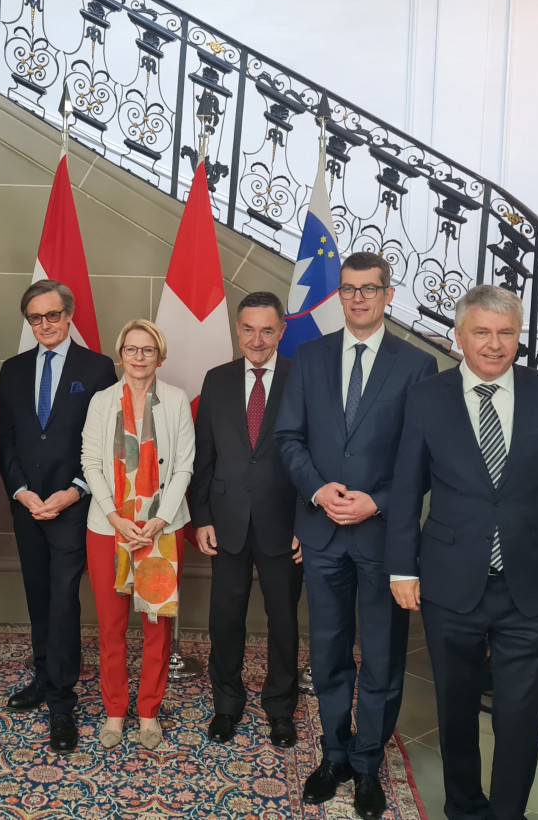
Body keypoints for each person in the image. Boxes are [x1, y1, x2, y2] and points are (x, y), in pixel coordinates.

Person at [386, 284, 538, 820]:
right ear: (459, 337)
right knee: (455, 711)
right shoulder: (426, 397)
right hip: (448, 582)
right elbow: (408, 490)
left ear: (518, 337)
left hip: (530, 584)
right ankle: (463, 808)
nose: (494, 345)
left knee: (520, 716)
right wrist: (402, 567)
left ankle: (507, 814)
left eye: (506, 334)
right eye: (482, 332)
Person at [274, 251, 437, 820]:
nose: (359, 298)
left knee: (384, 658)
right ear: (338, 295)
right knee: (328, 652)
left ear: (388, 294)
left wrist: (379, 502)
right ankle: (335, 754)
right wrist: (319, 492)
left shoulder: (417, 366)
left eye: (370, 289)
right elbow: (289, 439)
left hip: (382, 538)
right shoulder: (309, 357)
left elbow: (421, 456)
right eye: (349, 289)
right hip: (321, 533)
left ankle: (368, 763)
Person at [0, 279, 117, 752]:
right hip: (27, 506)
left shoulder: (98, 367)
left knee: (64, 599)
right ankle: (44, 676)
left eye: (52, 315)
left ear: (69, 316)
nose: (44, 324)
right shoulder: (12, 369)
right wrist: (22, 492)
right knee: (38, 594)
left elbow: (108, 441)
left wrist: (74, 492)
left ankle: (62, 703)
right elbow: (4, 439)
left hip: (74, 505)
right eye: (35, 318)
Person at [191, 291, 303, 748]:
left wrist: (306, 523)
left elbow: (311, 457)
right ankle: (227, 704)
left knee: (283, 622)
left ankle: (280, 710)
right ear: (238, 330)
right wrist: (201, 517)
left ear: (282, 331)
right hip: (227, 520)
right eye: (249, 329)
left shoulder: (301, 379)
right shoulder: (216, 380)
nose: (257, 339)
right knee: (226, 618)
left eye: (267, 329)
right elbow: (205, 457)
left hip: (285, 524)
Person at [81, 319, 195, 750]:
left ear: (159, 356)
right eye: (131, 349)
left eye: (148, 350)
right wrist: (114, 515)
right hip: (109, 528)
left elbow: (185, 464)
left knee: (156, 626)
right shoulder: (102, 401)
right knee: (111, 626)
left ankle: (148, 713)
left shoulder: (177, 400)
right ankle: (114, 712)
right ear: (121, 354)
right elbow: (90, 460)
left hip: (159, 531)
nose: (139, 357)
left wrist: (160, 520)